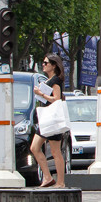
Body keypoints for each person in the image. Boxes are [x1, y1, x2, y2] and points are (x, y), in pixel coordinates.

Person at [30, 53, 67, 188]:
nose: (43, 65)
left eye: (46, 63)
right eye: (43, 62)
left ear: (54, 65)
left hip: (52, 119)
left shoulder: (56, 80)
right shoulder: (49, 80)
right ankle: (47, 177)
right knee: (34, 147)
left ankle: (60, 182)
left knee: (55, 151)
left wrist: (41, 94)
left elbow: (56, 99)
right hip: (46, 119)